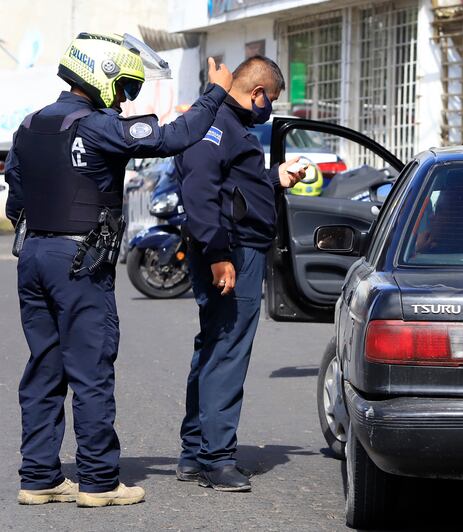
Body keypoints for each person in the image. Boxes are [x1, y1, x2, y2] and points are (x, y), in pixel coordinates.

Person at [5, 32, 233, 507]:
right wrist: (214, 93)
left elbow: (17, 203)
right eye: (125, 88)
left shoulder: (28, 126)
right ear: (101, 76)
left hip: (32, 258)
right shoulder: (94, 126)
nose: (126, 100)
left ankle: (39, 476)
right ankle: (99, 482)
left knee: (44, 370)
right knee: (90, 371)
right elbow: (175, 137)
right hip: (79, 261)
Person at [174, 55, 304, 492]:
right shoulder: (215, 124)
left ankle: (196, 453)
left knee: (213, 348)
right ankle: (215, 459)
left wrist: (274, 178)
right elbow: (199, 191)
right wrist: (218, 255)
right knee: (227, 351)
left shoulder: (228, 125)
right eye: (272, 99)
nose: (270, 107)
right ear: (258, 93)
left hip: (229, 249)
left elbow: (234, 186)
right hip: (230, 252)